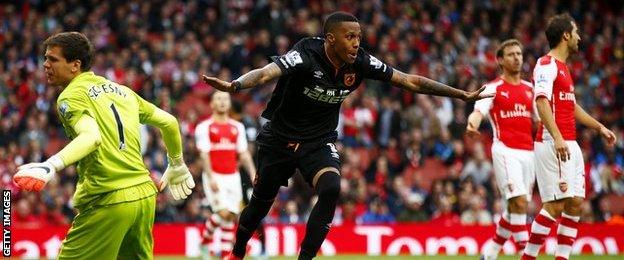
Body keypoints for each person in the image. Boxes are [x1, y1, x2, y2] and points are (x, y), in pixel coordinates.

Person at [202, 12, 491, 260]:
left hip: (318, 141)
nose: (356, 43)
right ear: (330, 39)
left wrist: (461, 94)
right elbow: (267, 73)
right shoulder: (305, 53)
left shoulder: (361, 62)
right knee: (259, 206)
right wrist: (235, 86)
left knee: (331, 187)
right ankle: (237, 251)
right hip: (278, 138)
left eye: (358, 37)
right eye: (350, 37)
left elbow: (409, 81)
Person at [12, 32, 195, 259]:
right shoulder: (123, 91)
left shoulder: (70, 96)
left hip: (109, 199)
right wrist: (176, 161)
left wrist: (51, 165)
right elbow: (169, 121)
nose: (45, 64)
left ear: (75, 65)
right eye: (45, 58)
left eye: (53, 59)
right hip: (144, 197)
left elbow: (91, 137)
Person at [521, 14, 616, 260]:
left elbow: (571, 106)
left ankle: (562, 258)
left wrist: (599, 127)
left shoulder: (564, 69)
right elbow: (541, 101)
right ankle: (528, 257)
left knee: (575, 203)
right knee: (555, 205)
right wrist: (557, 136)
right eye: (576, 32)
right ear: (566, 35)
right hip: (553, 142)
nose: (579, 37)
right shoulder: (546, 64)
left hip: (569, 142)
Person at [466, 39, 535, 259]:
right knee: (519, 202)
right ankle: (527, 254)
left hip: (529, 153)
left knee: (515, 207)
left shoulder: (530, 89)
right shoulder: (492, 88)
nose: (517, 58)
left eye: (519, 53)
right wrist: (472, 124)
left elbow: (542, 119)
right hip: (505, 151)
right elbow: (478, 111)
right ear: (500, 60)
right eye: (511, 54)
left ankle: (490, 252)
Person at [195, 91, 256, 257]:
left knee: (231, 215)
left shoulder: (238, 127)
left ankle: (210, 245)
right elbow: (204, 154)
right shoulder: (204, 127)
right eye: (218, 99)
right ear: (212, 104)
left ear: (229, 104)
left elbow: (243, 153)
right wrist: (210, 177)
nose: (222, 102)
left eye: (225, 99)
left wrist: (252, 173)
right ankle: (219, 251)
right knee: (223, 213)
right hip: (214, 175)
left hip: (233, 176)